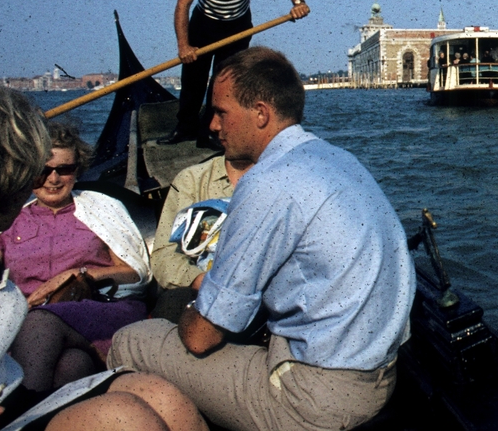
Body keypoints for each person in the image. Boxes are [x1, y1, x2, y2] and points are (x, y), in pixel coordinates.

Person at [110, 48, 416, 431]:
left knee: (132, 340)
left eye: (221, 112)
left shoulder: (266, 182)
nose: (212, 126)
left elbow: (201, 337)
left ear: (260, 113)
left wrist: (190, 309)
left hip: (314, 398)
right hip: (379, 374)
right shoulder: (339, 159)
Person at [0, 87, 206, 431]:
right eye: (31, 169)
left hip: (11, 392)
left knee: (161, 395)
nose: (44, 180)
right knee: (126, 414)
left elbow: (135, 270)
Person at [0, 123, 152, 385]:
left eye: (64, 169)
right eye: (43, 170)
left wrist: (79, 275)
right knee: (72, 365)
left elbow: (135, 273)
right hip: (28, 323)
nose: (53, 179)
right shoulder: (8, 218)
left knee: (41, 323)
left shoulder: (101, 207)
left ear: (77, 171)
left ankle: (16, 420)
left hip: (97, 310)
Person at [164, 0, 310, 146]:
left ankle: (208, 132)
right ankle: (185, 128)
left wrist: (298, 3)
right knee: (193, 79)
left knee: (222, 79)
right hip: (204, 24)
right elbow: (183, 6)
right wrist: (183, 45)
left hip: (238, 25)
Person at [149, 153, 255, 322]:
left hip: (261, 296)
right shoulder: (192, 180)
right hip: (202, 293)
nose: (215, 126)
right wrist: (199, 280)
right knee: (172, 305)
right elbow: (164, 256)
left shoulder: (287, 179)